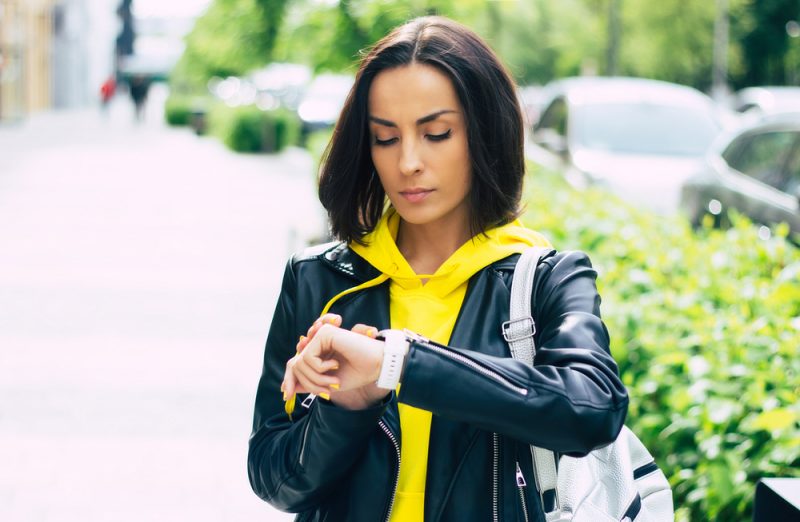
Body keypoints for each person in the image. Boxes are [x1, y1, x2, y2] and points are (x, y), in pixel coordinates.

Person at [248, 16, 628, 521]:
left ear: (485, 132)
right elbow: (276, 482)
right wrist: (346, 409)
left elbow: (592, 410)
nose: (408, 162)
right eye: (385, 138)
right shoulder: (318, 278)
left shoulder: (544, 280)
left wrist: (401, 363)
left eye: (436, 133)